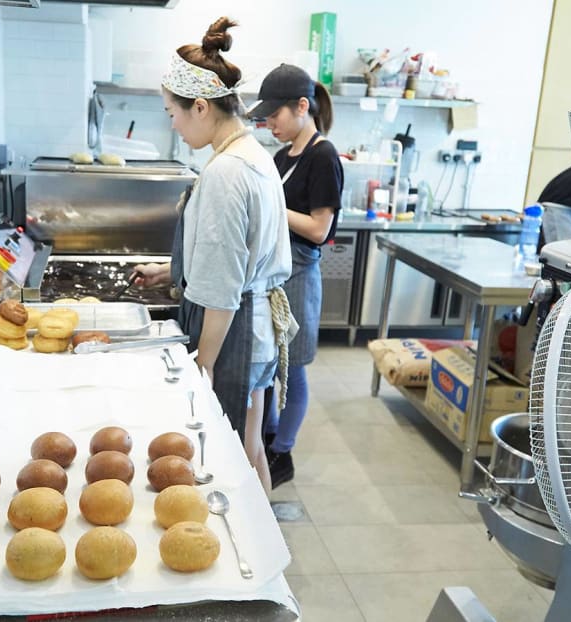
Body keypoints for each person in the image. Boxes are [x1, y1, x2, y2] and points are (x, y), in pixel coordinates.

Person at [133, 18, 292, 496]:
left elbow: (223, 290)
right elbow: (231, 253)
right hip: (255, 323)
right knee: (249, 446)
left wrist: (200, 369)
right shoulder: (254, 154)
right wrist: (171, 270)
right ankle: (264, 549)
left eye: (173, 114)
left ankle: (254, 556)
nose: (174, 125)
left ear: (200, 106)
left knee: (230, 453)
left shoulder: (226, 172)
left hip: (234, 334)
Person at [247, 64, 344, 489]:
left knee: (294, 368)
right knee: (271, 362)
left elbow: (320, 230)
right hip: (274, 272)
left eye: (276, 116)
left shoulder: (324, 156)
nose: (270, 125)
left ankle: (282, 451)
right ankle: (268, 436)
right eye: (265, 118)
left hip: (302, 272)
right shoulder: (280, 157)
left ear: (302, 106)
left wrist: (272, 208)